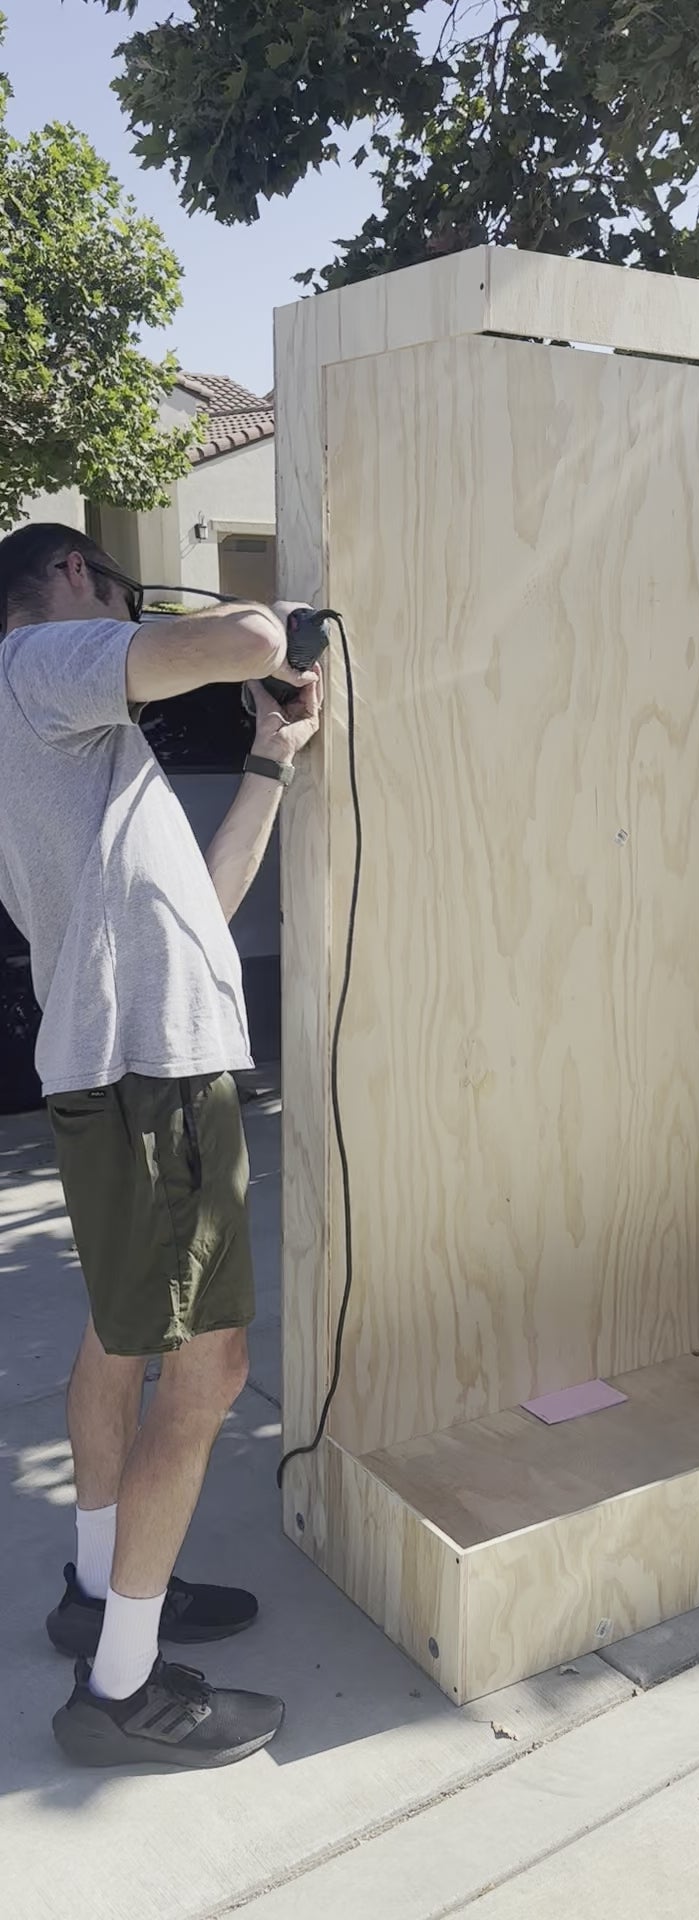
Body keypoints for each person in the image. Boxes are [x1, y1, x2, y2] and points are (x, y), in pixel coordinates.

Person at [0, 522, 322, 1769]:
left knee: (121, 1338)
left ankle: (100, 1596)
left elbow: (204, 908)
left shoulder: (73, 746)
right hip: (152, 1081)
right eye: (117, 594)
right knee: (210, 1372)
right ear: (73, 578)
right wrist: (278, 634)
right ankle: (121, 1692)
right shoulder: (38, 665)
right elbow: (241, 635)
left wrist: (271, 756)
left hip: (125, 1072)